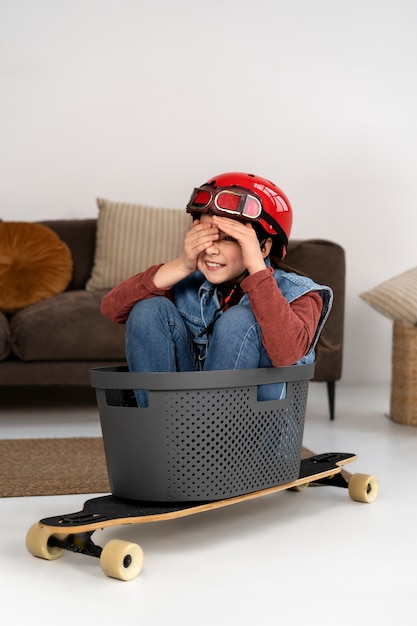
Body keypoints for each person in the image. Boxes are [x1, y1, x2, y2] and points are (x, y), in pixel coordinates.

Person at [101, 172, 333, 406]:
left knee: (240, 320)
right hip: (178, 427)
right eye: (205, 235)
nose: (211, 249)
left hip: (253, 432)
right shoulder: (187, 284)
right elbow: (112, 309)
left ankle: (204, 440)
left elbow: (286, 354)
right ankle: (162, 435)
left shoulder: (301, 294)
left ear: (263, 248)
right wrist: (183, 264)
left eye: (229, 238)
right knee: (148, 310)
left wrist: (256, 267)